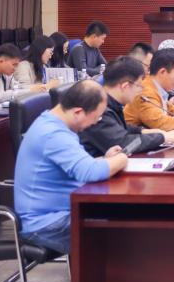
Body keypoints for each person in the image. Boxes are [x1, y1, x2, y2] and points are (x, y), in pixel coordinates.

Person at [14, 80, 128, 255]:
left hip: (61, 212)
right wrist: (122, 159)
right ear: (78, 112)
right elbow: (90, 172)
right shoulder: (53, 134)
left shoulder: (55, 123)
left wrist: (105, 159)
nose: (96, 122)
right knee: (120, 228)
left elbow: (79, 165)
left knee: (122, 216)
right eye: (96, 117)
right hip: (45, 224)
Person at [80, 57, 174, 158]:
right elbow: (126, 145)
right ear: (125, 86)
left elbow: (121, 129)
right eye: (139, 86)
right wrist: (162, 138)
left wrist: (144, 131)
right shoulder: (99, 110)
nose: (140, 91)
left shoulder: (111, 103)